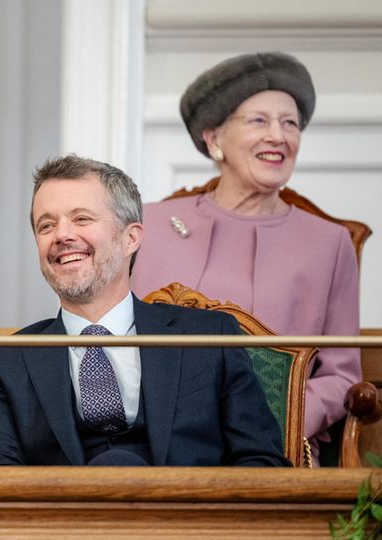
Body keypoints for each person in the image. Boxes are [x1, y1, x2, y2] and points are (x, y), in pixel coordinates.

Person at [0, 155, 289, 467]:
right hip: (67, 518)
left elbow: (262, 464)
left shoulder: (210, 337)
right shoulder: (4, 362)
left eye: (81, 219)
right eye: (46, 225)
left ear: (131, 238)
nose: (62, 235)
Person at [129, 52, 360, 463]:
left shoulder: (330, 242)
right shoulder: (148, 225)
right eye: (259, 121)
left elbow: (342, 375)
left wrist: (274, 419)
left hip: (279, 447)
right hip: (156, 447)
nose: (279, 135)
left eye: (290, 123)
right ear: (214, 139)